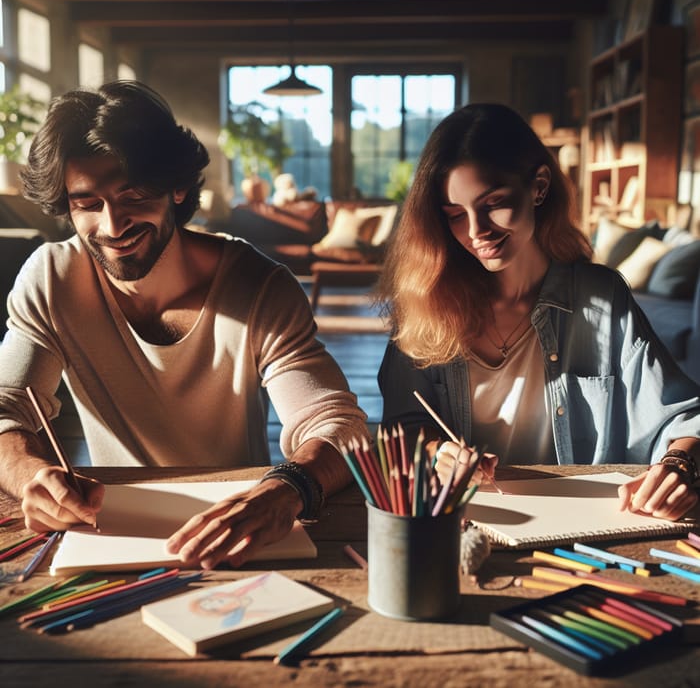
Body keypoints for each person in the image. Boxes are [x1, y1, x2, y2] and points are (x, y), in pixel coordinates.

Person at [0, 80, 366, 568]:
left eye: (132, 195)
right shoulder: (52, 277)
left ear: (176, 187)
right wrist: (30, 474)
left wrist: (288, 488)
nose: (112, 226)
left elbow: (338, 425)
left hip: (240, 528)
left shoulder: (260, 285)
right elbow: (6, 405)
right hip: (113, 533)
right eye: (88, 204)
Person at [377, 102, 700, 521]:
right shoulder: (423, 303)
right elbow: (399, 433)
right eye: (455, 215)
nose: (477, 233)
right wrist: (438, 453)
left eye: (493, 203)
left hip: (590, 532)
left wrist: (679, 466)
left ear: (539, 186)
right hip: (462, 531)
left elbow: (683, 419)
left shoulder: (602, 299)